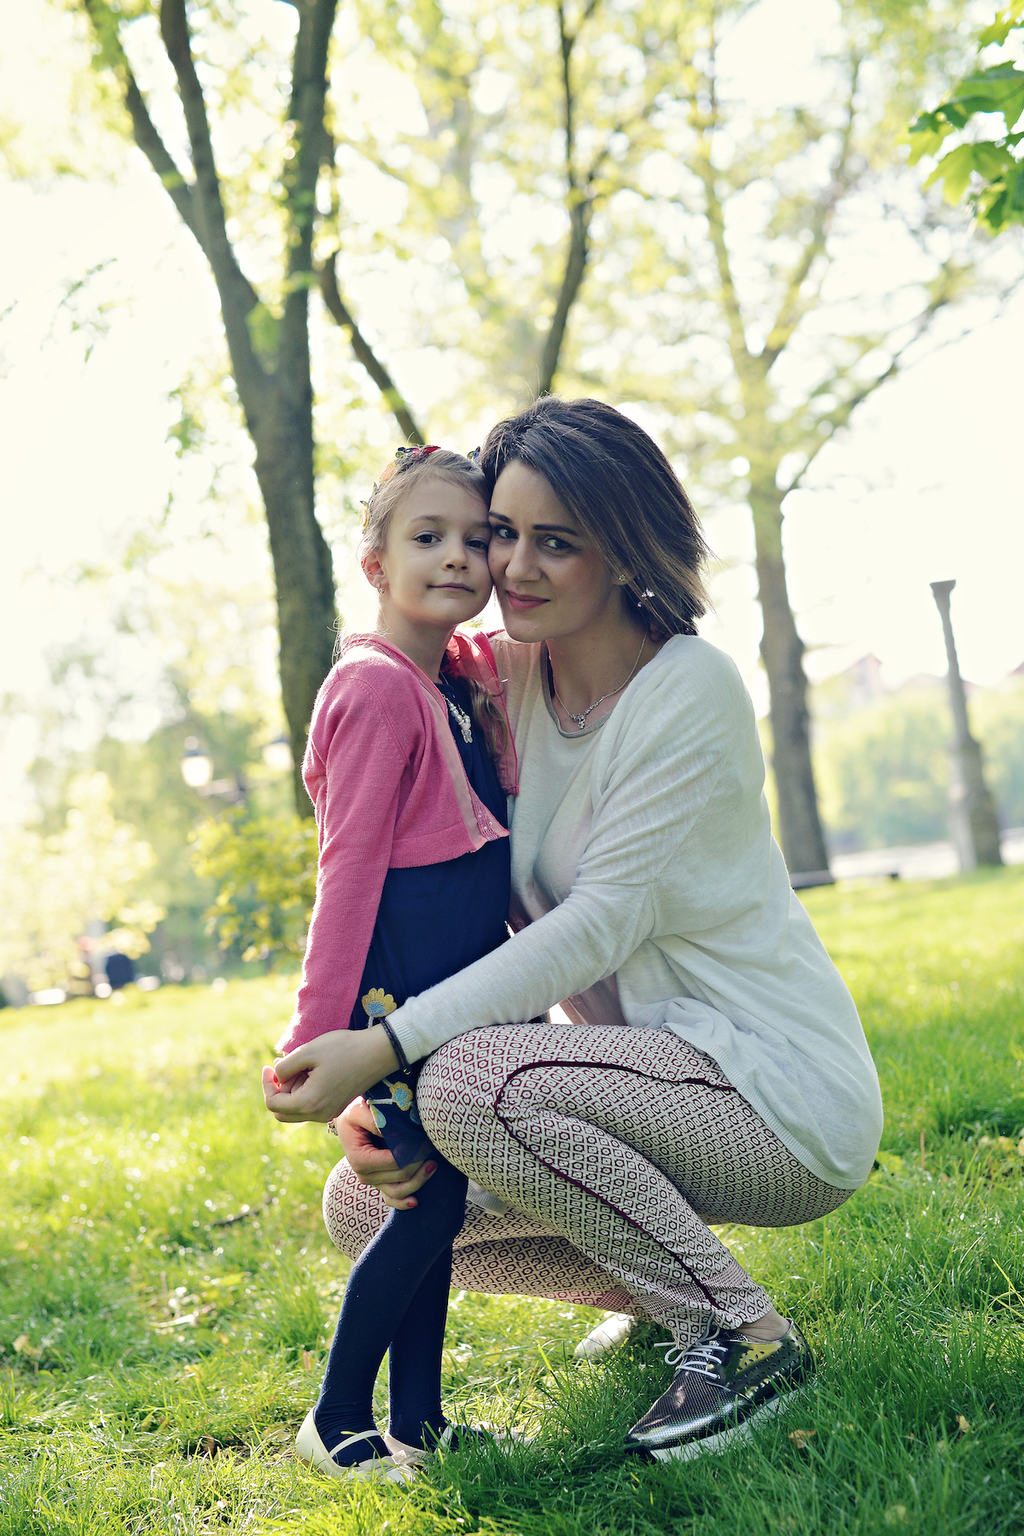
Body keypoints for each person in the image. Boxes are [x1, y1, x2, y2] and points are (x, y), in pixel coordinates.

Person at [264, 397, 883, 1466]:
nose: (514, 567)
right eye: (501, 533)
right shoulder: (498, 678)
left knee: (471, 1086)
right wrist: (365, 1072)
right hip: (623, 1083)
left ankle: (741, 1334)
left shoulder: (688, 688)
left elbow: (595, 927)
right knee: (371, 1203)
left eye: (557, 541)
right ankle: (662, 1292)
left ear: (625, 549)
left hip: (773, 1095)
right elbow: (391, 841)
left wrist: (390, 1045)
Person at [265, 444, 517, 1480]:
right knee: (425, 1205)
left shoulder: (450, 679)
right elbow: (349, 871)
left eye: (477, 539)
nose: (456, 556)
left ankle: (419, 1420)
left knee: (439, 1205)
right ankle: (335, 1417)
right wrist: (318, 1039)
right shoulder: (374, 689)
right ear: (375, 565)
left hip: (456, 1000)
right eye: (427, 537)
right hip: (395, 999)